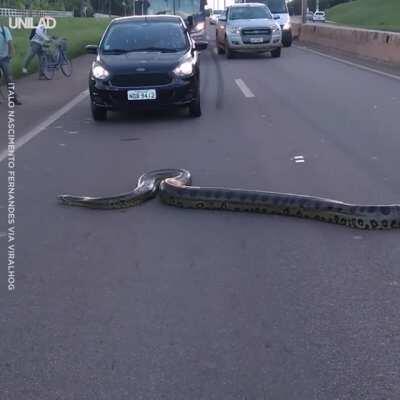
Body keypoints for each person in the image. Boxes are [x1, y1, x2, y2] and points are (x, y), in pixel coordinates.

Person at [0, 23, 22, 105]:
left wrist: (10, 54)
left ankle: (13, 97)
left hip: (4, 58)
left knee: (9, 78)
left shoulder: (4, 29)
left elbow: (10, 42)